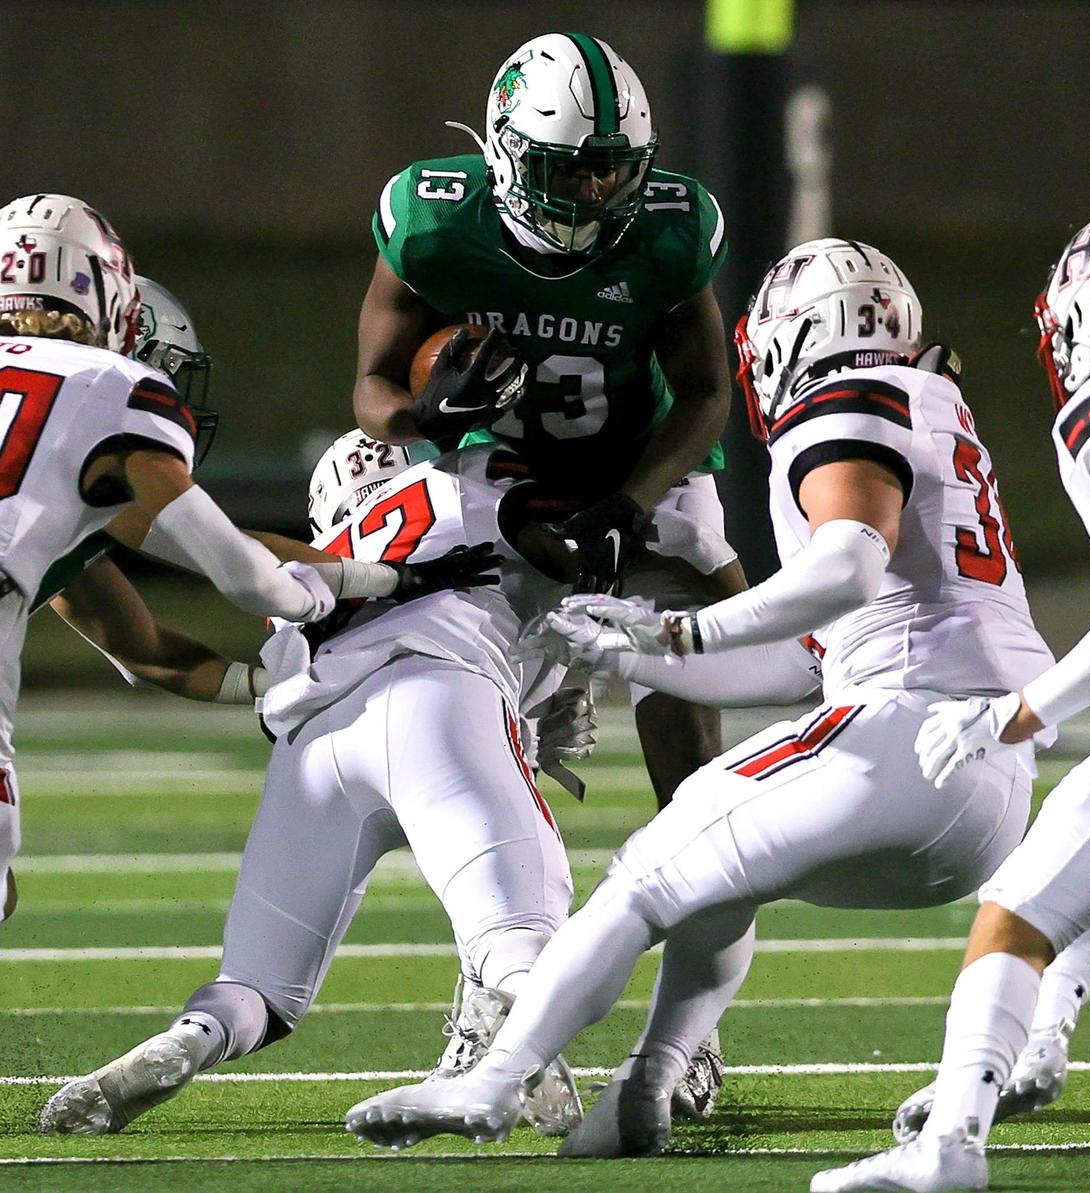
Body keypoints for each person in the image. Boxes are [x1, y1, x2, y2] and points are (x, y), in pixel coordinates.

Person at [339, 237, 1069, 1160]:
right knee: (714, 867)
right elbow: (810, 658)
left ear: (798, 333)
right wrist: (636, 656)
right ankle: (647, 1085)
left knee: (648, 872)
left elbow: (847, 566)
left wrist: (683, 631)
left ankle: (492, 1081)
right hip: (987, 786)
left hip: (905, 734)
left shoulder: (845, 399)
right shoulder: (933, 412)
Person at [40, 432, 740, 1137]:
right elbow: (615, 575)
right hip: (442, 699)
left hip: (311, 741)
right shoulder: (485, 487)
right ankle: (526, 1050)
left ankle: (192, 1035)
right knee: (518, 939)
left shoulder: (313, 556)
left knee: (257, 987)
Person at [352, 31, 744, 1115]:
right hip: (502, 468)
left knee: (694, 706)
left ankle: (691, 1030)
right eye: (571, 164)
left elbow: (706, 391)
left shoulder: (668, 231)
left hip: (643, 465)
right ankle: (496, 987)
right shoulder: (435, 218)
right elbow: (377, 383)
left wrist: (630, 506)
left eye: (614, 165)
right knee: (475, 715)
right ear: (506, 150)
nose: (596, 186)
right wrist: (425, 423)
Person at [0, 196, 484, 924]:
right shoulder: (103, 387)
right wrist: (322, 608)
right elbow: (239, 569)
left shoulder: (41, 493)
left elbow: (138, 641)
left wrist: (276, 672)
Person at [810, 207, 1090, 1192]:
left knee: (1019, 899)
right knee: (1068, 842)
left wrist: (1019, 709)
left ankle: (950, 1147)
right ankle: (1024, 1058)